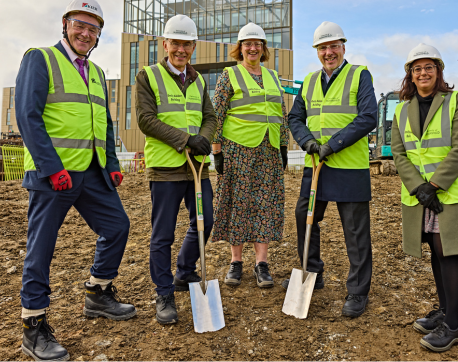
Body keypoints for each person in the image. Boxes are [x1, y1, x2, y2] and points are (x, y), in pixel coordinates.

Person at [15, 1, 135, 360]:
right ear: (65, 24)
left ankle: (98, 293)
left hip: (92, 172)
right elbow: (27, 115)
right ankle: (33, 328)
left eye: (94, 28)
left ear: (99, 35)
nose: (86, 33)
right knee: (42, 250)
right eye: (80, 25)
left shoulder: (96, 72)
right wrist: (52, 168)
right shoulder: (40, 58)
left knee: (117, 227)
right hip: (53, 176)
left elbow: (106, 123)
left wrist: (111, 162)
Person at [391, 43, 458, 352]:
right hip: (421, 196)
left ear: (438, 71)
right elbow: (400, 153)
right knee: (434, 249)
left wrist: (434, 185)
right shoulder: (402, 109)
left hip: (451, 192)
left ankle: (453, 326)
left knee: (448, 252)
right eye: (417, 68)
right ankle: (445, 312)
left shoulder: (456, 101)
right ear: (410, 75)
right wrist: (419, 187)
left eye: (429, 67)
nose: (423, 72)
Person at [284, 21, 377, 318]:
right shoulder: (310, 81)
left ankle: (358, 291)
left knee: (355, 232)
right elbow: (295, 118)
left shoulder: (359, 75)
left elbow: (368, 117)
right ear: (316, 51)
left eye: (333, 46)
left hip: (349, 168)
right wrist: (308, 142)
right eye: (323, 48)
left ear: (343, 47)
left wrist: (333, 144)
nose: (329, 52)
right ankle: (312, 272)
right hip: (317, 166)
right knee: (305, 217)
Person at [135, 14, 217, 324]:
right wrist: (186, 140)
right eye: (176, 43)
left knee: (206, 221)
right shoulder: (148, 76)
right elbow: (146, 120)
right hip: (166, 168)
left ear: (193, 46)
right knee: (162, 234)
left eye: (187, 44)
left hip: (197, 167)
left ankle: (184, 271)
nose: (181, 49)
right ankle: (164, 292)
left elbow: (209, 117)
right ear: (165, 44)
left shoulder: (198, 80)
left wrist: (203, 140)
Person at [211, 22, 289, 288]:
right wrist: (217, 150)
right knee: (238, 202)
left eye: (258, 43)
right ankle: (236, 262)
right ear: (240, 48)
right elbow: (216, 114)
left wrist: (283, 146)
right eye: (248, 44)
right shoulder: (229, 75)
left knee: (264, 204)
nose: (253, 48)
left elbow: (282, 113)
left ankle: (261, 263)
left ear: (263, 48)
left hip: (268, 151)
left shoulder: (273, 76)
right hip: (237, 150)